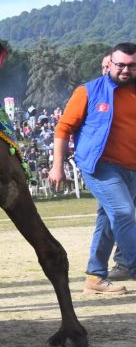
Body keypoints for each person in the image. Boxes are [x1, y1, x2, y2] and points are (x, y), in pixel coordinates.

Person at [49, 42, 136, 294]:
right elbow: (63, 129)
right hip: (100, 166)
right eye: (120, 65)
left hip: (132, 169)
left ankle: (95, 277)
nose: (125, 70)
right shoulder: (88, 91)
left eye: (131, 66)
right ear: (109, 63)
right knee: (123, 212)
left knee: (109, 219)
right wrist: (57, 167)